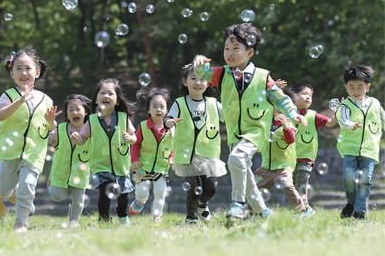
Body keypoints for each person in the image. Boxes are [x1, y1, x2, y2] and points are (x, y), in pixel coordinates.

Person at [193, 23, 307, 220]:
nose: (230, 52)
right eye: (227, 48)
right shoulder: (221, 73)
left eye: (236, 48)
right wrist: (199, 61)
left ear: (250, 51)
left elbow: (281, 98)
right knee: (243, 171)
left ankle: (238, 204)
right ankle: (263, 212)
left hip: (256, 130)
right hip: (234, 132)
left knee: (236, 160)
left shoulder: (262, 77)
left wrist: (293, 113)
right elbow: (203, 74)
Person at [0, 47, 57, 233]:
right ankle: (13, 191)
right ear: (11, 73)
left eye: (28, 68)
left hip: (34, 152)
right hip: (10, 150)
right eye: (18, 68)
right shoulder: (8, 95)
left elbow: (52, 132)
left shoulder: (46, 100)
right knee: (2, 191)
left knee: (28, 185)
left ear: (37, 72)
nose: (24, 72)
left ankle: (21, 222)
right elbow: (1, 116)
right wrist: (20, 101)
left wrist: (52, 123)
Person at [164, 64, 226, 224]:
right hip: (187, 154)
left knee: (210, 188)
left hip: (208, 154)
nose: (198, 82)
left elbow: (229, 117)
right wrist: (169, 122)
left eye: (202, 78)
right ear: (185, 82)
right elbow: (167, 119)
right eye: (193, 78)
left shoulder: (214, 103)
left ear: (208, 83)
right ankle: (191, 218)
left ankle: (202, 204)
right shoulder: (179, 103)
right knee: (193, 188)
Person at [71, 78, 137, 225]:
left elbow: (134, 137)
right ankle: (104, 219)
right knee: (105, 192)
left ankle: (123, 217)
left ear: (117, 101)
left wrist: (130, 138)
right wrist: (77, 139)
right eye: (102, 93)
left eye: (110, 94)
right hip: (101, 165)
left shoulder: (123, 118)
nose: (106, 96)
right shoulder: (92, 120)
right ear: (96, 99)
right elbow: (83, 139)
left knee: (123, 195)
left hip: (121, 165)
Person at [335, 63, 384, 220]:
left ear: (367, 87)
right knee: (348, 178)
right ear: (346, 87)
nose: (356, 91)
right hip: (350, 148)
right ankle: (351, 203)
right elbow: (343, 121)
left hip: (369, 149)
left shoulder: (375, 104)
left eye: (360, 87)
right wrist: (351, 125)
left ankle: (360, 211)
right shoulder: (346, 105)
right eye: (351, 87)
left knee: (365, 180)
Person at [253, 103, 313, 218]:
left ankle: (301, 210)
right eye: (278, 106)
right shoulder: (265, 122)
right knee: (253, 186)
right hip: (266, 166)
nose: (281, 110)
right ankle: (252, 213)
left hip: (283, 165)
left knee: (286, 184)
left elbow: (291, 140)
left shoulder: (290, 124)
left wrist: (285, 127)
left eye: (285, 108)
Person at [128, 87, 174, 224]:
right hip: (143, 167)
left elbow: (171, 145)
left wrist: (171, 158)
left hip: (161, 167)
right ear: (149, 110)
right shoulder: (142, 127)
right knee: (142, 192)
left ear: (167, 110)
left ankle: (157, 216)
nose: (158, 110)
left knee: (160, 192)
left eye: (161, 107)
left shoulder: (171, 129)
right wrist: (134, 160)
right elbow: (135, 144)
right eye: (154, 106)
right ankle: (140, 201)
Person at [289, 83, 338, 211]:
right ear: (293, 96)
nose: (308, 97)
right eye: (304, 94)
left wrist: (339, 112)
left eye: (310, 95)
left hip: (306, 157)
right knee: (292, 186)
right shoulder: (287, 114)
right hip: (288, 157)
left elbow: (331, 123)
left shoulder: (313, 115)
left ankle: (305, 209)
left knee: (301, 183)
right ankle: (299, 210)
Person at [47, 94, 92, 227]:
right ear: (67, 113)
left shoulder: (91, 130)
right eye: (70, 110)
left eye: (78, 109)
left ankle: (73, 221)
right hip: (61, 172)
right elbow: (47, 140)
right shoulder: (60, 130)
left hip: (81, 173)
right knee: (56, 196)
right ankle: (52, 181)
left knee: (78, 200)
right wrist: (50, 122)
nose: (74, 112)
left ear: (86, 112)